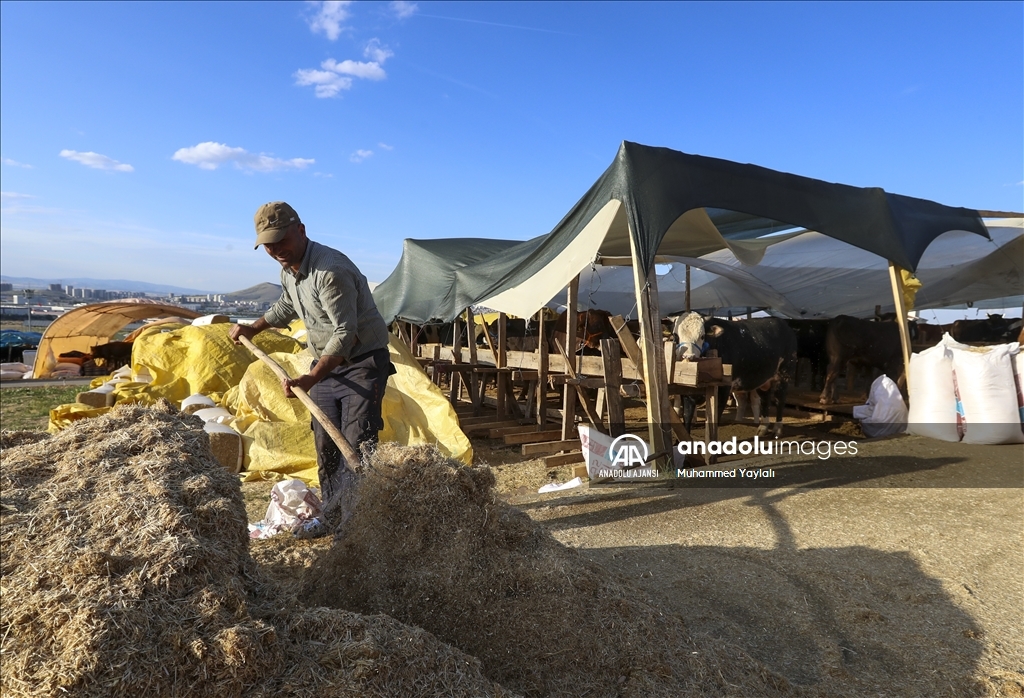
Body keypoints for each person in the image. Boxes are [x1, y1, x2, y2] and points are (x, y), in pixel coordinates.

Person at [229, 201, 393, 533]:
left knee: (357, 444)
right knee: (326, 445)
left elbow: (345, 332)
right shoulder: (289, 268)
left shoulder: (330, 271)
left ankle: (359, 526)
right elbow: (286, 305)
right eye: (268, 245)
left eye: (280, 241)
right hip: (327, 366)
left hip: (362, 364)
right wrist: (253, 328)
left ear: (300, 230)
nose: (276, 250)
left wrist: (312, 376)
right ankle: (334, 517)